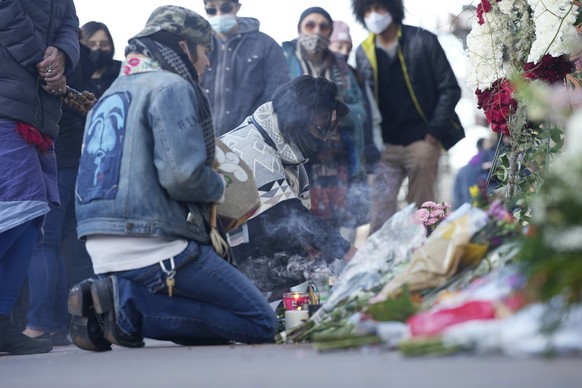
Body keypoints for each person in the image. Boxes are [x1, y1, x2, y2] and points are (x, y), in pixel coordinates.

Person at [68, 5, 277, 352]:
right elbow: (184, 178)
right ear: (183, 47)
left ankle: (111, 302)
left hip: (98, 245)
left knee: (213, 320)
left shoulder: (109, 94)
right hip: (153, 244)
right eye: (206, 52)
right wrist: (220, 185)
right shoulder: (171, 87)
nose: (208, 63)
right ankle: (125, 308)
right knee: (260, 321)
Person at [222, 75, 356, 300]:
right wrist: (350, 253)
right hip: (215, 255)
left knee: (314, 258)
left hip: (241, 246)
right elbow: (287, 212)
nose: (323, 137)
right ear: (298, 118)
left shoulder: (285, 150)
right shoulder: (250, 145)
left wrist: (305, 242)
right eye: (319, 127)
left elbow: (291, 224)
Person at [0, 0, 80, 355]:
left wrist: (62, 53)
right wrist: (44, 61)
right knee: (18, 208)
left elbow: (68, 23)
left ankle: (1, 322)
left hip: (39, 111)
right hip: (7, 103)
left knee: (31, 218)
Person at [352, 0, 465, 233]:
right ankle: (381, 263)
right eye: (368, 10)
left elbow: (449, 88)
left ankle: (427, 255)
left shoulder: (423, 40)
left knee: (423, 210)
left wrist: (434, 133)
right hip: (386, 146)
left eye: (379, 8)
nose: (374, 15)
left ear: (392, 8)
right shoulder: (363, 52)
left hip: (422, 140)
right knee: (380, 213)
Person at [23, 34, 95, 347]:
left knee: (44, 244)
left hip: (55, 157)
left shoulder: (42, 57)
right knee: (61, 245)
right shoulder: (78, 57)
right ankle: (58, 325)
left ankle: (40, 324)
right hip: (75, 161)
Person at [282, 7, 369, 236]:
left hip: (336, 156)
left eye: (323, 26)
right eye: (310, 25)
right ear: (299, 28)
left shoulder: (342, 68)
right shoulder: (284, 59)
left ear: (330, 31)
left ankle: (333, 271)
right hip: (296, 154)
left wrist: (335, 113)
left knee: (333, 225)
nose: (317, 31)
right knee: (297, 221)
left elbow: (360, 109)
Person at [200, 0, 290, 136]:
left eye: (225, 8)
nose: (219, 14)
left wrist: (255, 131)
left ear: (237, 7)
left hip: (248, 139)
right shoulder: (197, 45)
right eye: (211, 10)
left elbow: (278, 94)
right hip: (202, 138)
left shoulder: (265, 45)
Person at [81, 21, 122, 99]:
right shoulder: (71, 78)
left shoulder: (122, 73)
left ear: (111, 46)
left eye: (104, 44)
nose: (97, 48)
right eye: (91, 44)